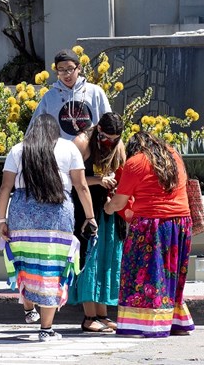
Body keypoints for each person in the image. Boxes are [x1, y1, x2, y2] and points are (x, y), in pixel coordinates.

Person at [0, 113, 97, 342]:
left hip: (22, 215)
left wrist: (1, 221)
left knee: (26, 262)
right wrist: (90, 217)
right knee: (51, 267)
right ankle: (46, 328)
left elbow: (5, 188)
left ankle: (29, 309)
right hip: (57, 216)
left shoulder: (18, 149)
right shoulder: (69, 149)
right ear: (56, 131)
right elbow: (81, 186)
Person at [104, 131, 195, 338]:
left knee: (142, 275)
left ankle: (148, 324)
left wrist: (108, 207)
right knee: (171, 275)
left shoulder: (135, 162)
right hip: (181, 223)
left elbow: (118, 202)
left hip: (151, 224)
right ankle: (173, 321)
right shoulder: (173, 155)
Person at [69, 112, 127, 333]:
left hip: (107, 207)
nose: (110, 143)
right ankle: (89, 316)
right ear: (99, 130)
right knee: (90, 257)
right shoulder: (82, 142)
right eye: (107, 138)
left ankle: (103, 314)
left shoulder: (117, 144)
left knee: (107, 257)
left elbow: (121, 169)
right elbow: (70, 177)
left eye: (115, 139)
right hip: (86, 206)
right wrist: (97, 180)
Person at [28, 49, 111, 140]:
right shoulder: (49, 97)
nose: (66, 74)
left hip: (91, 150)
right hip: (61, 152)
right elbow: (34, 127)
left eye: (70, 69)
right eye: (61, 70)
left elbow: (109, 123)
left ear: (79, 68)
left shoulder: (95, 92)